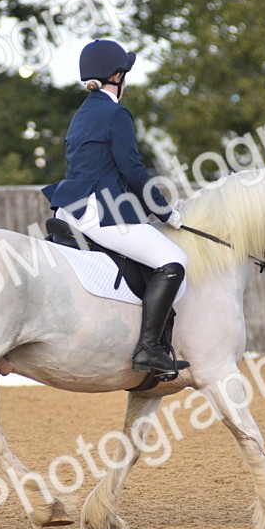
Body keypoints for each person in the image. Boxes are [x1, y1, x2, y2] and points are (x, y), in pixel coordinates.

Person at [41, 40, 190, 381]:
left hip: (71, 208)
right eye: (126, 74)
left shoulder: (83, 113)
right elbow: (132, 169)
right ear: (117, 75)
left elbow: (102, 168)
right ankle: (149, 347)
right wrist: (165, 212)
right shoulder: (116, 113)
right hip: (99, 212)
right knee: (174, 261)